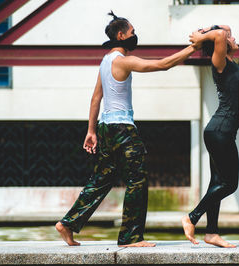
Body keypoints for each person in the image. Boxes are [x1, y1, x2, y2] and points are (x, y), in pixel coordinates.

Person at [55, 11, 197, 247]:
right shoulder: (122, 60)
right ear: (121, 35)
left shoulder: (105, 62)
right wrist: (194, 47)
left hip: (105, 128)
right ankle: (130, 237)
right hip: (122, 129)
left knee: (102, 178)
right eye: (132, 32)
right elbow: (163, 64)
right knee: (137, 178)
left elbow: (95, 98)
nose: (135, 36)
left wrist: (91, 131)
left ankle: (68, 223)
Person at [181, 25, 239, 248]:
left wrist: (209, 31)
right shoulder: (220, 63)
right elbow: (220, 34)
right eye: (230, 37)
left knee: (217, 182)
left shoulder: (228, 64)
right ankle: (192, 217)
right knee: (230, 184)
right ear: (221, 45)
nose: (233, 36)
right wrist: (204, 37)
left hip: (221, 131)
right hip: (220, 131)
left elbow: (222, 30)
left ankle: (212, 233)